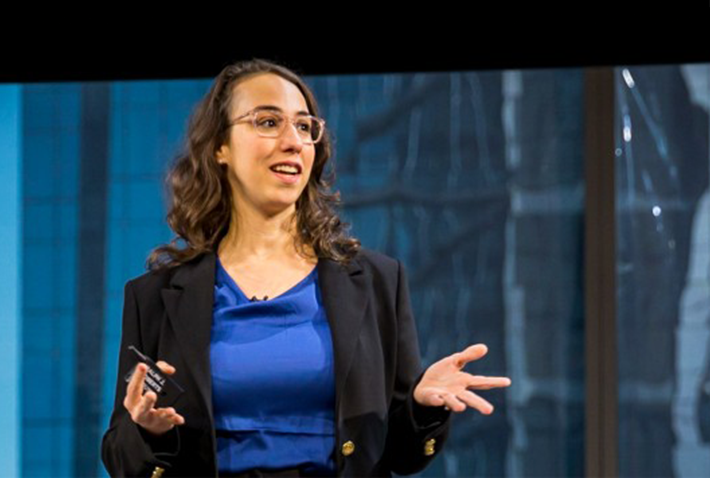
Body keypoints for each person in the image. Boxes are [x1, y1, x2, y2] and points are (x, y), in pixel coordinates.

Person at [101, 59, 512, 477]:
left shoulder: (377, 282)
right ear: (219, 147)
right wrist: (148, 433)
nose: (293, 141)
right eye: (267, 122)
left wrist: (423, 407)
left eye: (304, 127)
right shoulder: (155, 296)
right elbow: (121, 458)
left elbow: (402, 455)